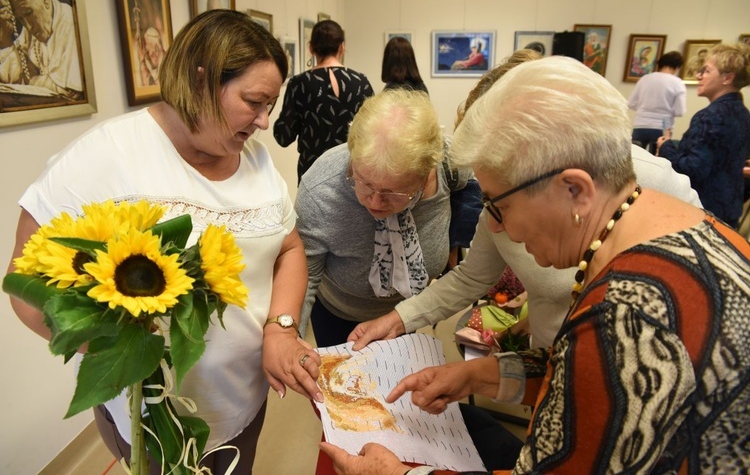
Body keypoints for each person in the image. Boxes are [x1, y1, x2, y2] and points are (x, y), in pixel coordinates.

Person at [322, 55, 750, 474]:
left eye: (499, 204)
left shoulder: (626, 316)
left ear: (574, 190)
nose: (495, 224)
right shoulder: (695, 233)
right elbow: (577, 376)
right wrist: (478, 374)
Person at [6, 10, 321, 474]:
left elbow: (289, 249)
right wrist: (116, 352)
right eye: (254, 102)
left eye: (269, 105)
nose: (263, 122)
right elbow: (24, 281)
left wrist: (281, 327)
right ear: (200, 80)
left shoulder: (253, 158)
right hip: (152, 419)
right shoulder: (105, 156)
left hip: (244, 402)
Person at [349, 50, 700, 353]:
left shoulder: (659, 190)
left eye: (498, 201)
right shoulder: (506, 204)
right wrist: (401, 320)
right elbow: (472, 278)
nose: (495, 224)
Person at [296, 88, 520, 470]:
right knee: (355, 415)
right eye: (364, 183)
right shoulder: (322, 191)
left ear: (426, 173)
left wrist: (449, 252)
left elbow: (469, 219)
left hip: (414, 311)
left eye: (393, 192)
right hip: (341, 313)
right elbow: (305, 277)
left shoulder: (453, 164)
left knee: (410, 412)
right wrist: (294, 339)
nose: (374, 202)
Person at [657, 43, 750, 229]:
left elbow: (693, 169)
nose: (698, 76)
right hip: (729, 212)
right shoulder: (743, 113)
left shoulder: (710, 116)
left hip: (703, 213)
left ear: (727, 77)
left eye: (706, 71)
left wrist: (665, 146)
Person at [274, 19, 373, 182]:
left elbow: (283, 137)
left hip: (313, 175)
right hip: (353, 174)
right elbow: (372, 129)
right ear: (342, 46)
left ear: (311, 47)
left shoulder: (300, 83)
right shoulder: (360, 81)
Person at [0, 0, 82, 99]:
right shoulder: (30, 32)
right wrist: (6, 39)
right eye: (20, 19)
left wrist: (32, 80)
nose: (28, 26)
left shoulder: (71, 23)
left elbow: (68, 91)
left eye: (28, 13)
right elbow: (17, 78)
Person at [628, 51, 687, 154]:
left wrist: (646, 108)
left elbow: (631, 103)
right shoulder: (677, 82)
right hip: (664, 125)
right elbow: (680, 111)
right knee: (657, 160)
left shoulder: (645, 79)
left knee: (635, 157)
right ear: (677, 67)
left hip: (641, 124)